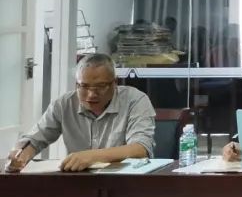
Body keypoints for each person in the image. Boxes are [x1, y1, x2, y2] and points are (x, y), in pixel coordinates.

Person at [5, 54, 154, 173]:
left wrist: (91, 156)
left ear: (115, 83)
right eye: (84, 86)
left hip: (124, 181)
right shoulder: (64, 104)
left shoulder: (135, 100)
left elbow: (140, 149)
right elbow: (35, 140)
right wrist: (20, 156)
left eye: (100, 86)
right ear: (77, 84)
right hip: (79, 182)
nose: (91, 94)